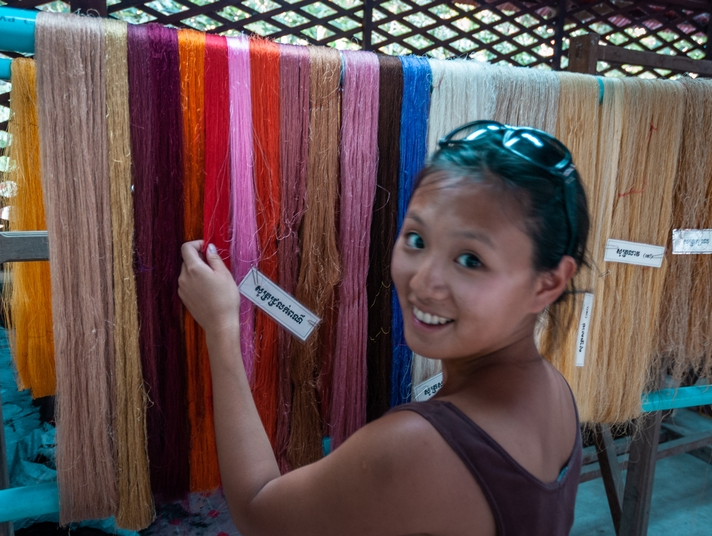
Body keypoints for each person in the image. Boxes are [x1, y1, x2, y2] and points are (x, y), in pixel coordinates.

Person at [178, 120, 590, 536]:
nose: (423, 282)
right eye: (417, 239)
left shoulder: (419, 448)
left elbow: (257, 512)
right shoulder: (556, 395)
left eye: (470, 259)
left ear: (549, 283)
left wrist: (221, 327)